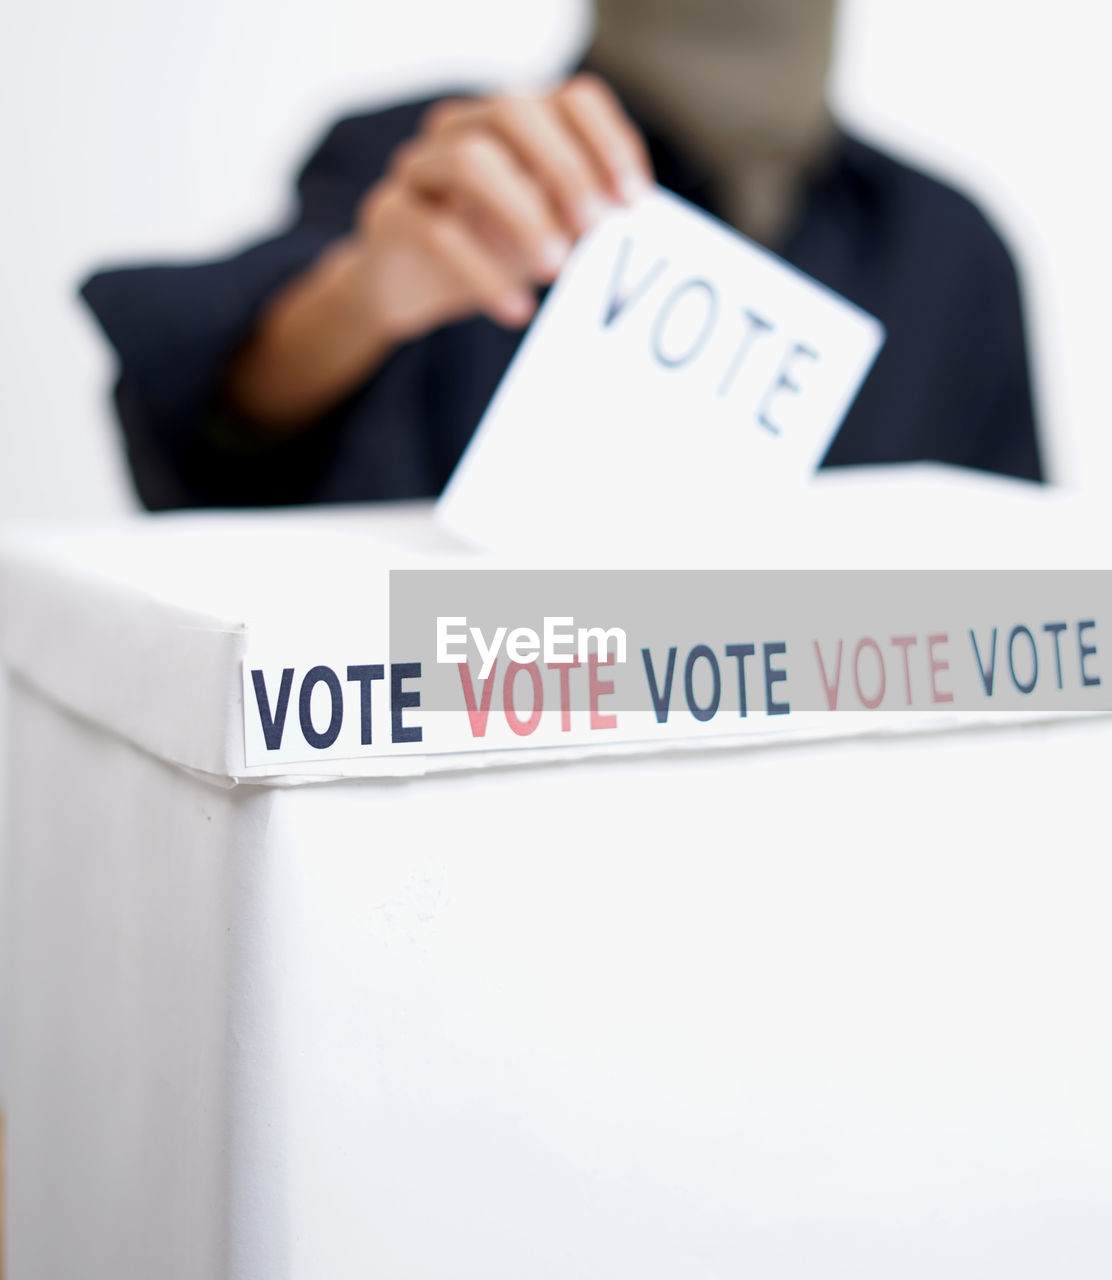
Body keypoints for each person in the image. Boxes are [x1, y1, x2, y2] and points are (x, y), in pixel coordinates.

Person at [81, 0, 1044, 511]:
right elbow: (216, 425)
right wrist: (363, 298)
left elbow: (1025, 622)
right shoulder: (436, 169)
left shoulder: (954, 252)